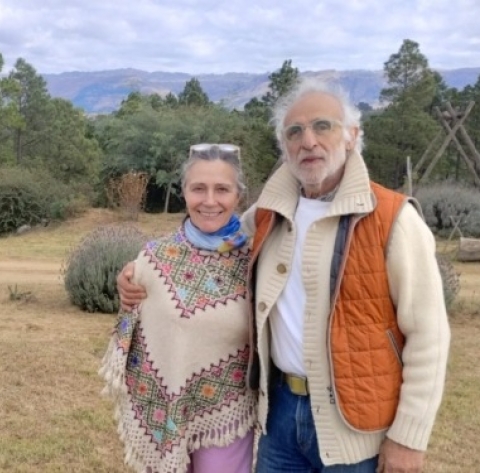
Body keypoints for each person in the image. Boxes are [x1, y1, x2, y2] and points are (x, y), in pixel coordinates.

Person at [117, 77, 450, 473]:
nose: (308, 140)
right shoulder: (265, 216)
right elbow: (207, 241)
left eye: (322, 126)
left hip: (355, 429)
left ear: (351, 136)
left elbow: (429, 335)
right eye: (295, 131)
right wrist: (138, 274)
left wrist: (409, 438)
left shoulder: (393, 219)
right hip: (279, 420)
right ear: (284, 145)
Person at [100, 143, 256, 473]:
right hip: (165, 410)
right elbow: (136, 321)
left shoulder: (260, 258)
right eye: (198, 188)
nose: (209, 200)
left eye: (222, 189)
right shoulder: (155, 258)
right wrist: (126, 282)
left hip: (228, 412)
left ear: (238, 196)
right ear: (184, 192)